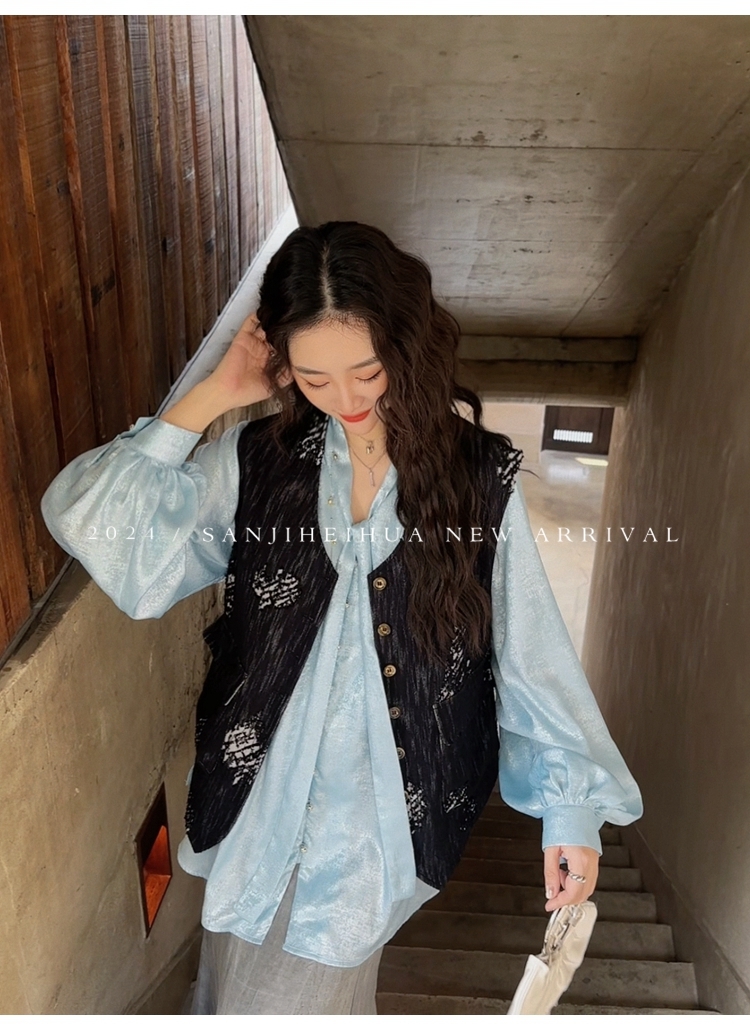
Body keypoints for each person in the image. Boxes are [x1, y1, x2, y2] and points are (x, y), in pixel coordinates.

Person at [41, 221, 643, 1015]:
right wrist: (214, 394)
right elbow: (101, 526)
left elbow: (531, 652)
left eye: (367, 371)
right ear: (284, 366)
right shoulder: (258, 462)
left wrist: (569, 809)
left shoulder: (478, 478)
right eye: (314, 377)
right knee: (230, 989)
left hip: (381, 821)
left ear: (405, 344)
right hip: (253, 799)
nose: (347, 401)